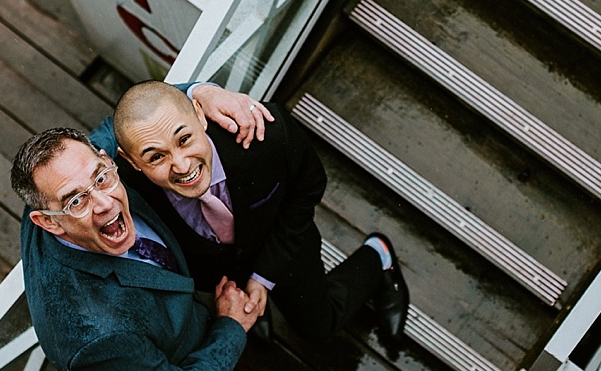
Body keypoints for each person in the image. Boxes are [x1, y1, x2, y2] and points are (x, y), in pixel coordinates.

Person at [12, 123, 259, 371]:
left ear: (105, 160)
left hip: (177, 318)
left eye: (101, 178)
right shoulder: (96, 340)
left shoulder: (69, 174)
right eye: (77, 201)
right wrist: (231, 328)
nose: (104, 203)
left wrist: (197, 92)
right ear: (48, 222)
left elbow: (121, 124)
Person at [92, 80, 409, 345]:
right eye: (156, 157)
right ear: (131, 162)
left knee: (318, 327)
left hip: (283, 248)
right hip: (216, 275)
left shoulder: (268, 135)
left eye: (185, 139)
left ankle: (377, 257)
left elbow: (308, 189)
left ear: (200, 116)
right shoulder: (122, 189)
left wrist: (263, 277)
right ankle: (253, 314)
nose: (182, 165)